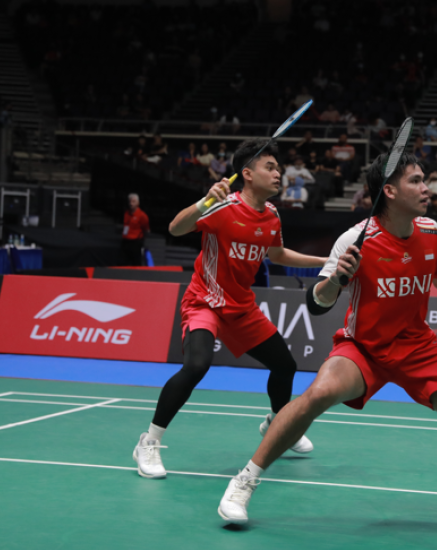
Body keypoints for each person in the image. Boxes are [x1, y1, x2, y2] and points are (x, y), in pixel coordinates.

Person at [216, 152, 437, 524]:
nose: (426, 188)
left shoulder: (431, 232)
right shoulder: (355, 239)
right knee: (318, 394)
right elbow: (316, 303)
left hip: (419, 348)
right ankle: (244, 481)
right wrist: (337, 279)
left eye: (424, 180)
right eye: (416, 181)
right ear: (389, 190)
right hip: (365, 348)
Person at [132, 140, 328, 480]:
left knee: (285, 365)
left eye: (278, 167)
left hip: (241, 308)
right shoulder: (221, 207)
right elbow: (176, 228)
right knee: (196, 365)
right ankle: (148, 442)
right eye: (270, 167)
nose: (278, 172)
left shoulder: (272, 216)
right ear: (247, 174)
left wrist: (326, 262)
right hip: (205, 300)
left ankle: (277, 423)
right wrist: (205, 200)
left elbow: (278, 255)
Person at [121, 193, 150, 266]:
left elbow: (146, 230)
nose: (131, 203)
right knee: (123, 262)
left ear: (138, 203)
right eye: (130, 201)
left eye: (133, 201)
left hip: (136, 243)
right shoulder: (126, 213)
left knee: (136, 262)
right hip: (125, 241)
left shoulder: (142, 215)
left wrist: (142, 240)